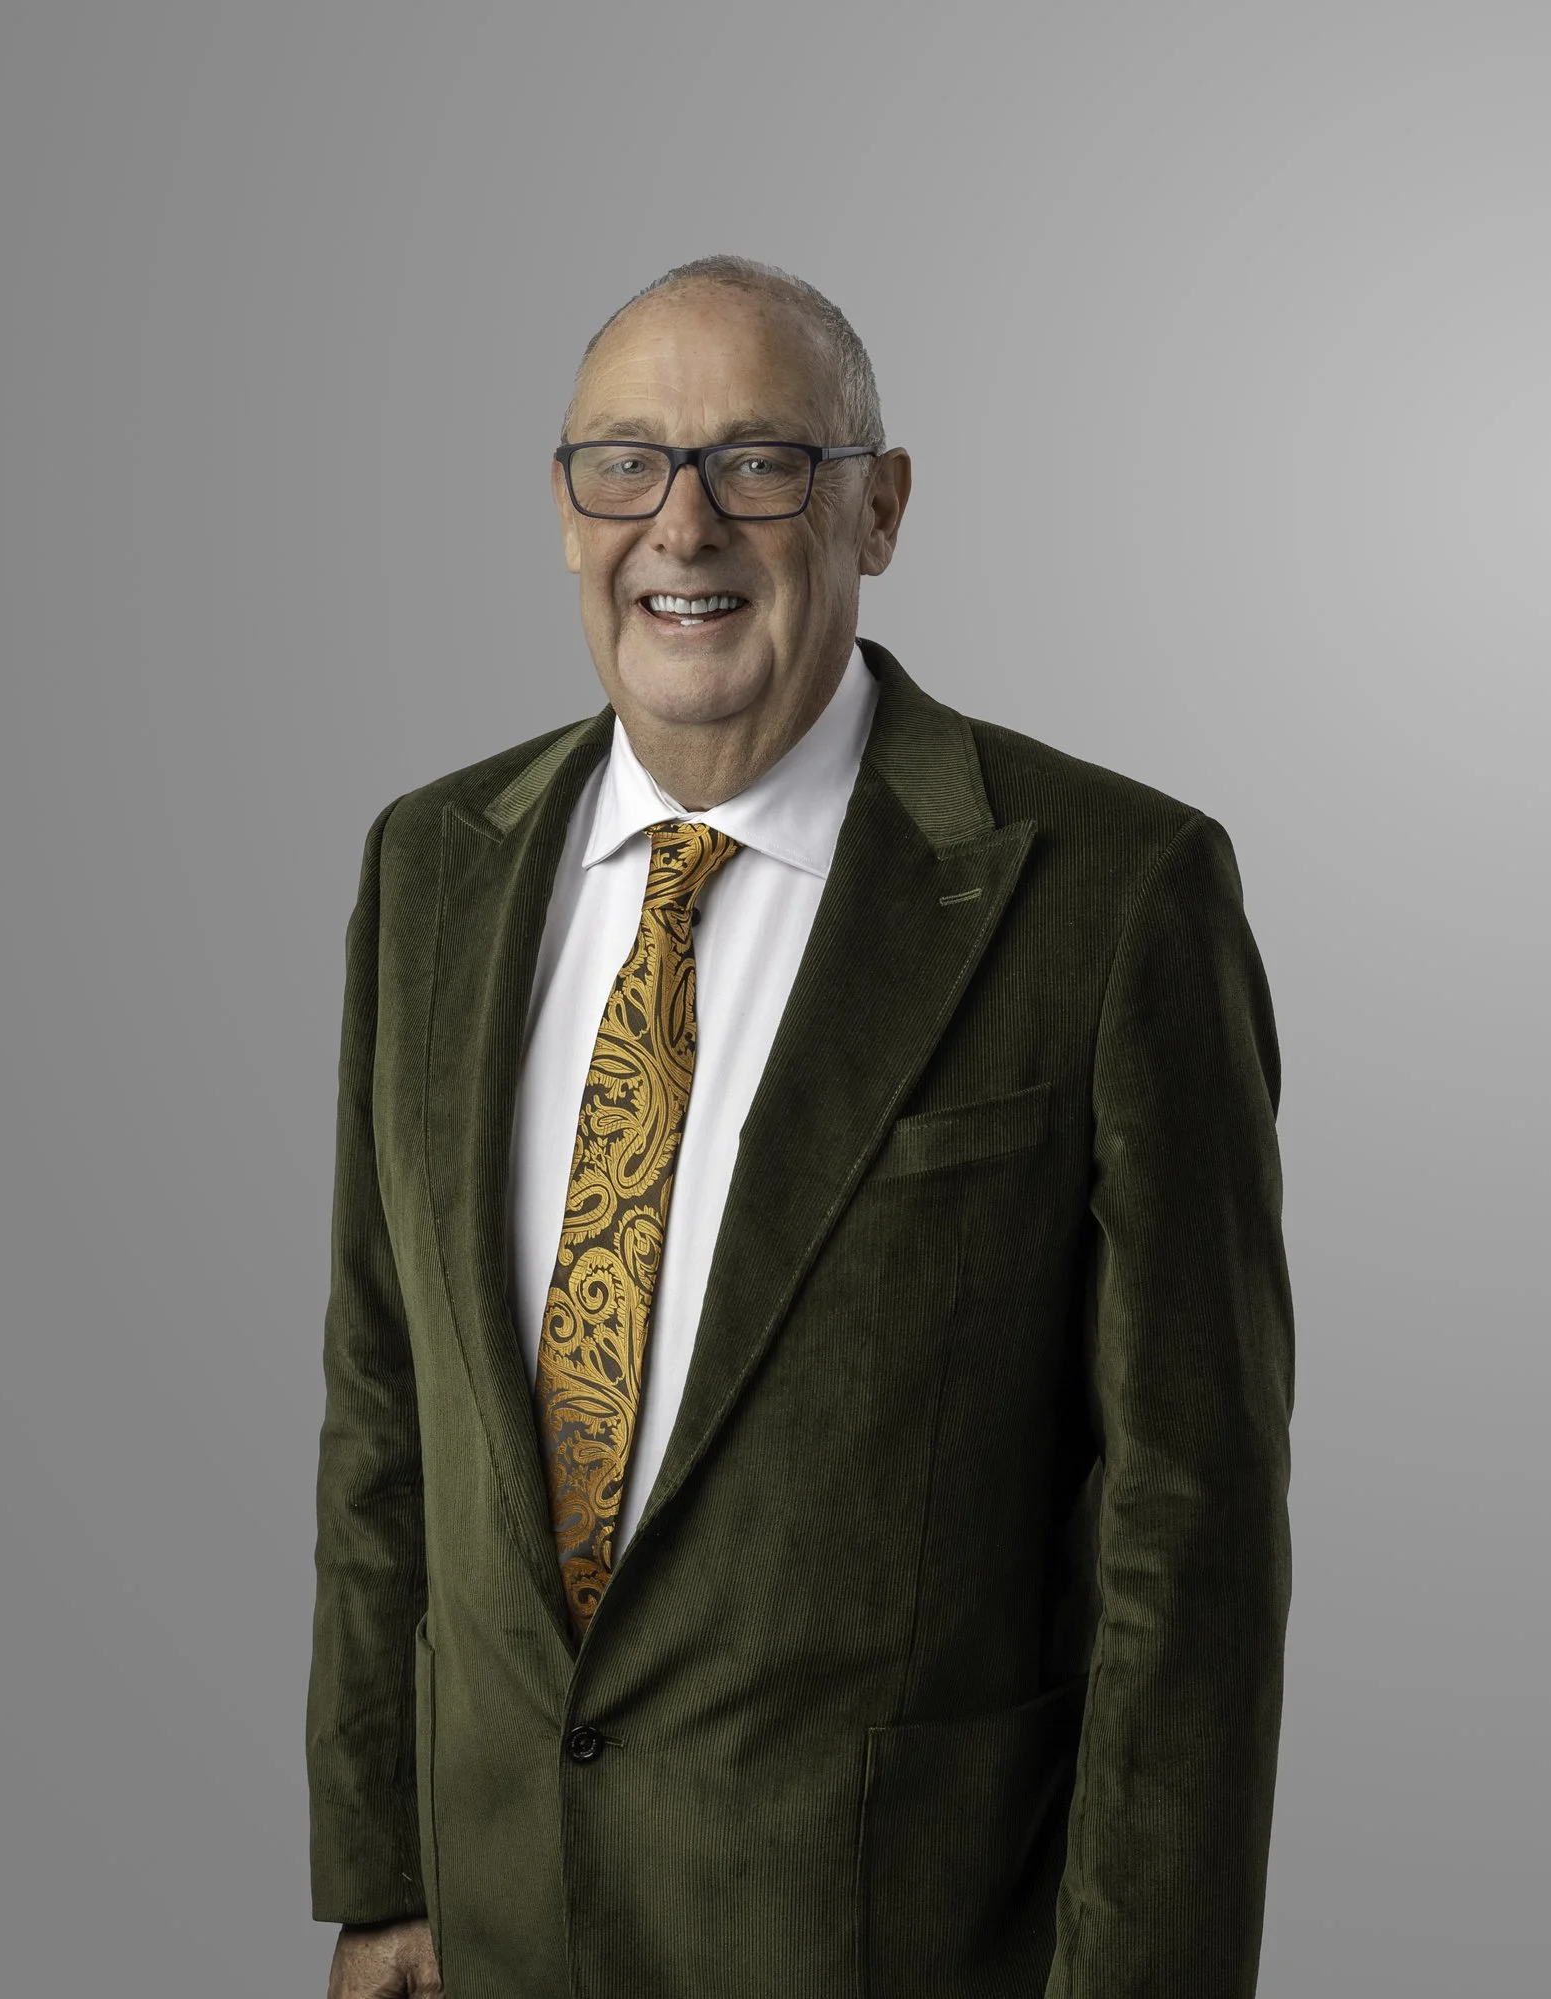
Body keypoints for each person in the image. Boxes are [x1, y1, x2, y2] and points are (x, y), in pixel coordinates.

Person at [306, 254, 1294, 1999]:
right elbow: (385, 1407)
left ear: (879, 508)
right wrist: (383, 1870)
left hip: (892, 1944)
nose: (682, 528)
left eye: (759, 463)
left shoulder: (1113, 896)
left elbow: (1188, 1537)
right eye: (626, 464)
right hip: (497, 1936)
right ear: (564, 509)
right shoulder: (430, 868)